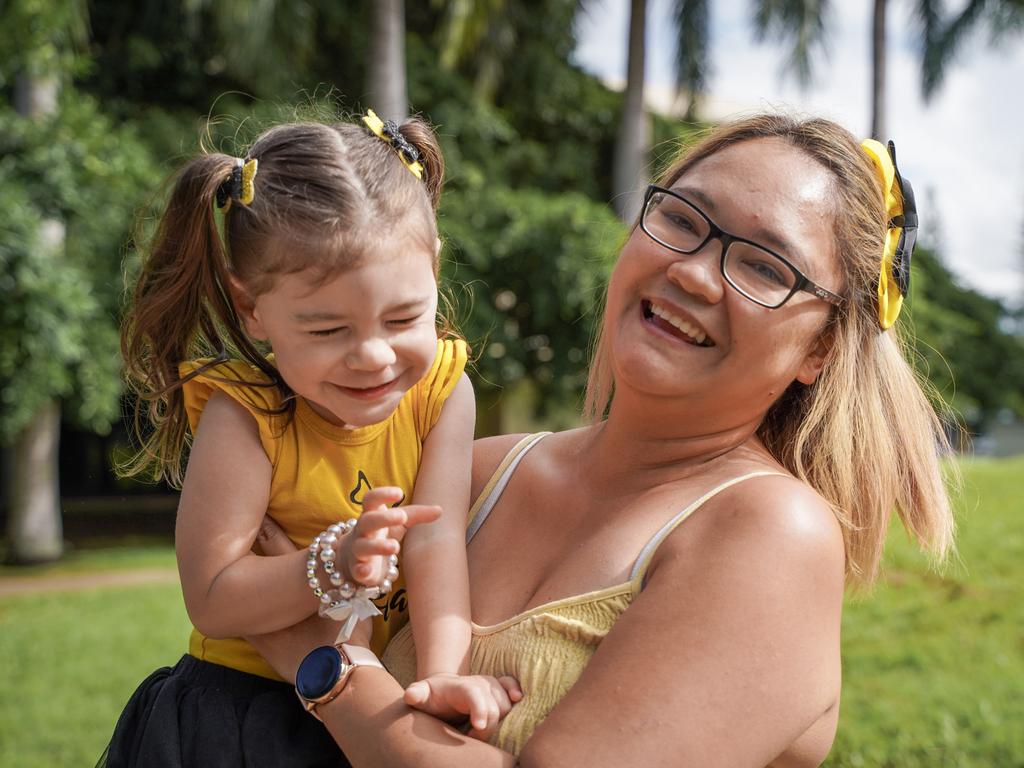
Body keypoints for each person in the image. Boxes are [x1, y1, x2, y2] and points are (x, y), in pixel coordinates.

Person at [246, 113, 955, 767]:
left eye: (765, 267)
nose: (694, 272)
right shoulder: (470, 472)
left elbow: (288, 623)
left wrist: (329, 669)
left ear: (822, 349)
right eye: (682, 218)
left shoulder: (769, 532)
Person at [101, 112, 516, 768]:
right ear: (252, 309)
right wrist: (330, 562)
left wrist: (441, 676)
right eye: (327, 330)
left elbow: (436, 541)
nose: (375, 357)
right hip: (241, 718)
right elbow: (211, 596)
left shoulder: (441, 386)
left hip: (371, 707)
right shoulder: (247, 416)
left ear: (434, 268)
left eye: (404, 317)